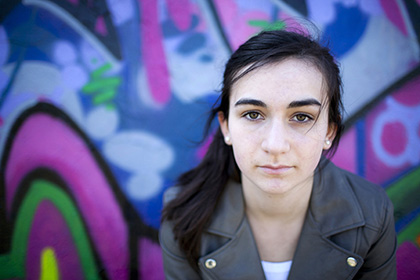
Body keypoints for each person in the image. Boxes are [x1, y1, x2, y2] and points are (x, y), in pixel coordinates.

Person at [159, 29, 397, 280]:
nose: (275, 145)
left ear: (329, 131)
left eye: (301, 117)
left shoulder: (372, 212)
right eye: (253, 114)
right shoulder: (182, 214)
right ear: (226, 126)